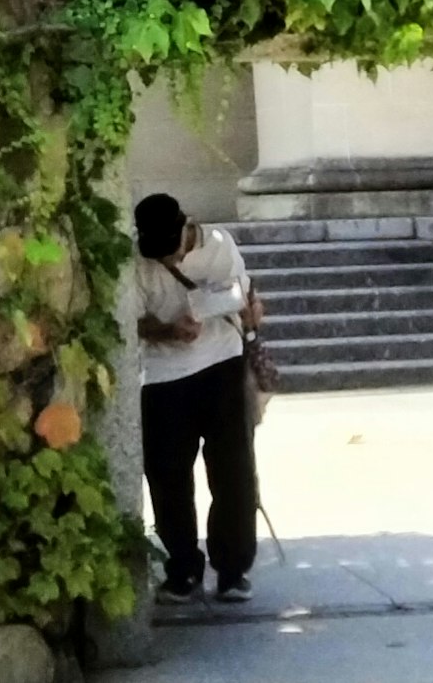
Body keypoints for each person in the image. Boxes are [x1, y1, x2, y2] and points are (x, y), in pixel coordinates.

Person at [133, 191, 258, 607]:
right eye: (159, 253)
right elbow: (132, 320)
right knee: (167, 475)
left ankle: (233, 568)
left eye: (172, 250)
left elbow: (247, 301)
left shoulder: (219, 246)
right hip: (163, 374)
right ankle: (183, 567)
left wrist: (243, 309)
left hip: (223, 362)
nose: (167, 260)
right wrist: (168, 331)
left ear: (187, 228)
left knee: (233, 469)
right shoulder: (137, 262)